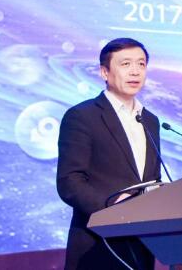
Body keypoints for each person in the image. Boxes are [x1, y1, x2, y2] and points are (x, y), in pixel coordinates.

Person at [57, 38, 161, 269]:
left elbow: (151, 179)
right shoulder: (82, 116)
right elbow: (69, 182)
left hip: (141, 246)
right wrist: (114, 208)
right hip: (97, 246)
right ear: (104, 72)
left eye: (141, 64)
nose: (135, 71)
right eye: (126, 64)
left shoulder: (150, 120)